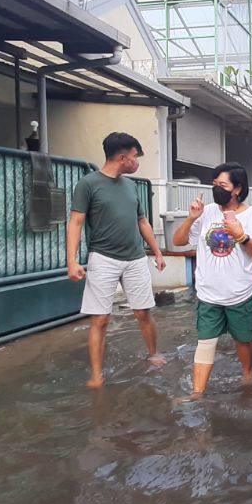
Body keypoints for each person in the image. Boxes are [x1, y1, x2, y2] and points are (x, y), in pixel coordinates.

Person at [66, 132, 167, 388]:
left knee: (143, 312)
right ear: (122, 157)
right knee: (100, 318)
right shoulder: (88, 184)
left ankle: (153, 353)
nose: (137, 162)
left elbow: (141, 221)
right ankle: (97, 375)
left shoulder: (131, 185)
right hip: (103, 257)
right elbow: (76, 222)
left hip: (135, 258)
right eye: (135, 157)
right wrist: (72, 261)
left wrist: (156, 252)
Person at [171, 162, 252, 398]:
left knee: (243, 341)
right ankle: (197, 393)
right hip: (208, 291)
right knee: (205, 341)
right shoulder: (207, 213)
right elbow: (178, 241)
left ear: (237, 189)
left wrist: (241, 236)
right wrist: (191, 218)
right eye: (214, 184)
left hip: (240, 291)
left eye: (222, 184)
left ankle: (247, 374)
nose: (217, 189)